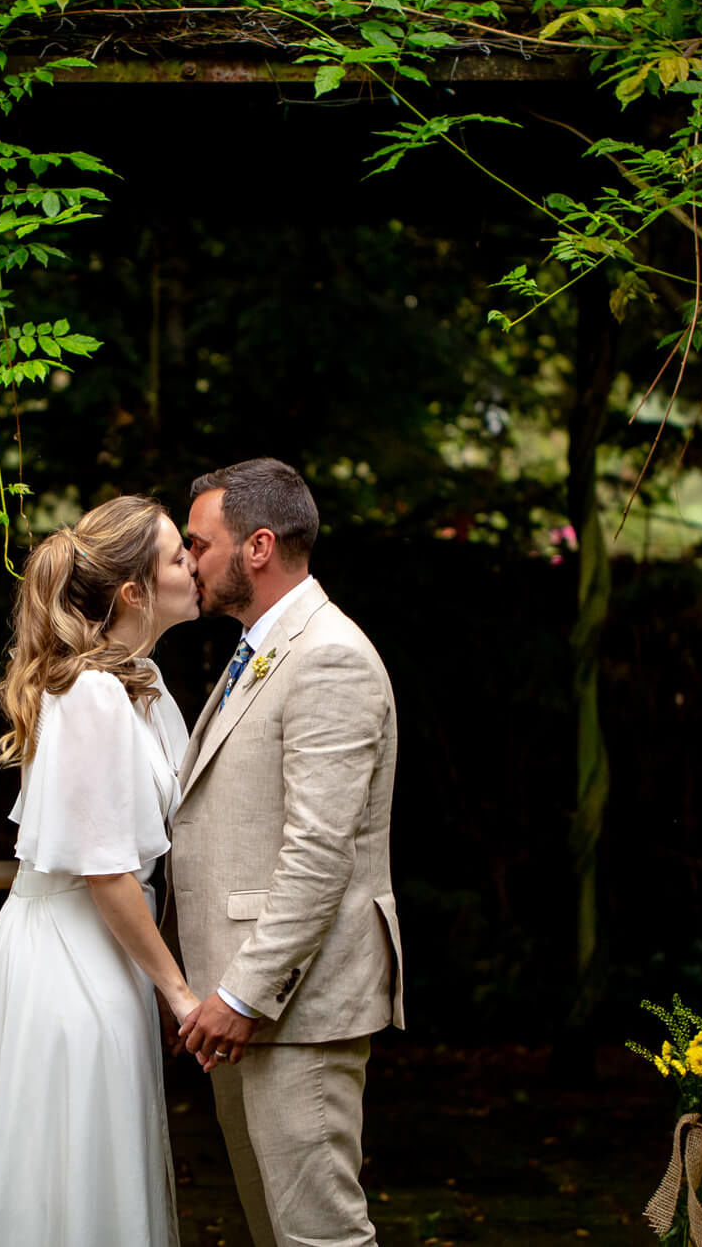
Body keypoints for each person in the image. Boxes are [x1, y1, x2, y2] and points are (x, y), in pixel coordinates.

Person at [0, 494, 201, 1247]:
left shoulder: (138, 681)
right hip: (70, 957)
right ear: (135, 591)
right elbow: (105, 872)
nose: (193, 564)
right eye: (178, 554)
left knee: (99, 1161)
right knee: (68, 1164)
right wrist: (178, 991)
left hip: (106, 950)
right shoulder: (91, 693)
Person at [170, 457, 405, 1247]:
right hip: (245, 999)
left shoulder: (329, 655)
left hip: (293, 1007)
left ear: (258, 546)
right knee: (275, 1232)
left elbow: (317, 853)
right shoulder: (262, 647)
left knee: (319, 1236)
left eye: (200, 545)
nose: (187, 560)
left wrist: (244, 996)